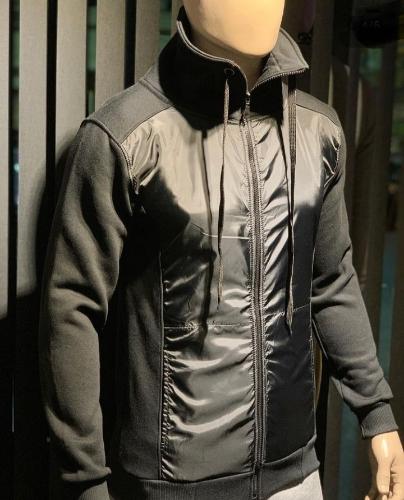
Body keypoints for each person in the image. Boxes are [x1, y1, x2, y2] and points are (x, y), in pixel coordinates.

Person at [38, 1, 404, 499]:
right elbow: (71, 310)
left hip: (296, 475)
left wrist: (376, 413)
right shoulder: (125, 138)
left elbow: (331, 280)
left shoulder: (318, 132)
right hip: (174, 483)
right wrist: (85, 482)